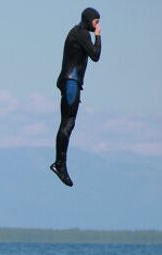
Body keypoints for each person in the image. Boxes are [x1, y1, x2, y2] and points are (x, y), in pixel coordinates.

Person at [51, 7, 102, 187]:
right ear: (89, 20)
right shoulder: (81, 33)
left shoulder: (76, 32)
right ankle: (60, 164)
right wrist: (98, 36)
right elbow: (95, 55)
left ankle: (60, 163)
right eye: (96, 22)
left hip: (70, 82)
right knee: (68, 122)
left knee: (68, 123)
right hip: (71, 82)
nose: (98, 25)